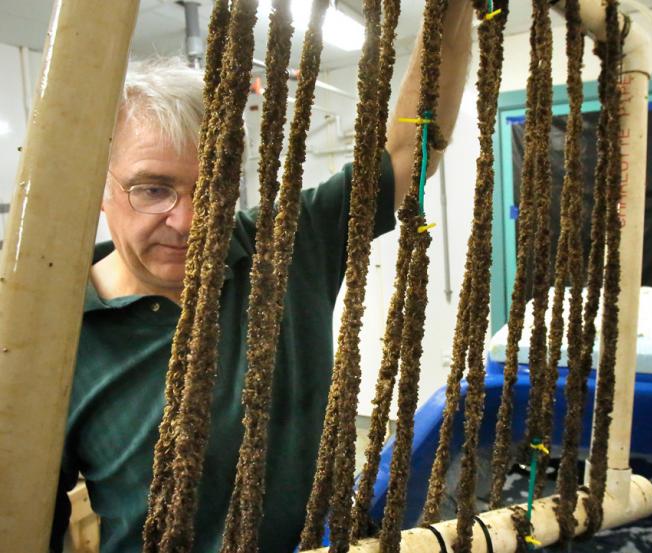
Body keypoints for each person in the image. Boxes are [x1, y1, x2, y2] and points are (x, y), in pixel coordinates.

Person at [51, 4, 473, 552]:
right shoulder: (52, 339)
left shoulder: (284, 245)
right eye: (152, 189)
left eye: (212, 191)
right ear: (100, 188)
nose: (187, 222)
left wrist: (455, 9)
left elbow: (407, 153)